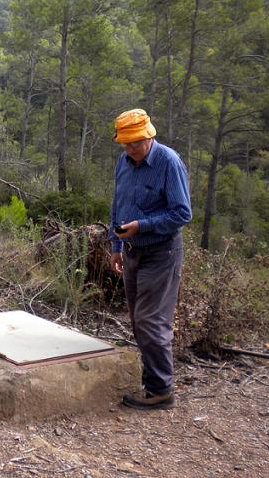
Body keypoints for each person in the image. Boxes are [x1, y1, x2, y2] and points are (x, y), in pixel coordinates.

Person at [109, 109, 192, 410]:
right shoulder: (124, 162)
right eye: (126, 144)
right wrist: (116, 243)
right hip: (132, 251)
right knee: (138, 319)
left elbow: (182, 214)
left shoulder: (168, 162)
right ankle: (152, 381)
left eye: (136, 143)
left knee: (150, 320)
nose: (131, 149)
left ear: (150, 135)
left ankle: (161, 391)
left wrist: (141, 226)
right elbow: (118, 203)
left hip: (161, 252)